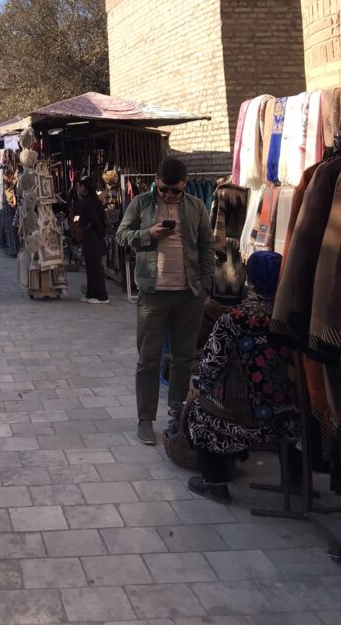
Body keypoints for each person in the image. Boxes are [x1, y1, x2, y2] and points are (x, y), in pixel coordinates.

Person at [185, 250, 300, 503]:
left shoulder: (235, 318)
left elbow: (210, 365)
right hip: (293, 416)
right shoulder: (297, 317)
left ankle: (216, 483)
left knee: (200, 413)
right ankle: (296, 479)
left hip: (246, 418)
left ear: (251, 280)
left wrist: (202, 388)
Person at [116, 156, 215, 446]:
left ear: (185, 184)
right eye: (165, 190)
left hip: (189, 295)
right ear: (156, 182)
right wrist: (149, 234)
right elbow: (122, 235)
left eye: (176, 190)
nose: (170, 195)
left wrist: (206, 282)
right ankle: (145, 419)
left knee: (184, 357)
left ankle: (177, 413)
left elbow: (207, 245)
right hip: (153, 294)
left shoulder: (196, 207)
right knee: (148, 359)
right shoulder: (141, 205)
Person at [70, 177, 109, 304]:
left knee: (96, 268)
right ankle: (91, 294)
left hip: (94, 238)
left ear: (84, 187)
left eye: (80, 186)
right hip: (90, 238)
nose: (79, 189)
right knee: (91, 268)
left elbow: (95, 221)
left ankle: (101, 295)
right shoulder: (88, 201)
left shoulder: (90, 202)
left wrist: (101, 234)